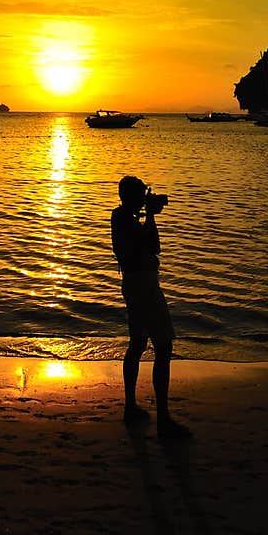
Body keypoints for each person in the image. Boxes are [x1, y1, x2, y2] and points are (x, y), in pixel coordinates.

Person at [110, 174, 190, 440]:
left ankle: (131, 407)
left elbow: (145, 242)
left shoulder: (124, 218)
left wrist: (147, 213)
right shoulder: (123, 218)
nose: (144, 200)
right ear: (131, 197)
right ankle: (163, 418)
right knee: (163, 346)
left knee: (137, 344)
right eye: (141, 196)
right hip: (143, 286)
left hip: (136, 285)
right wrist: (152, 215)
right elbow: (153, 244)